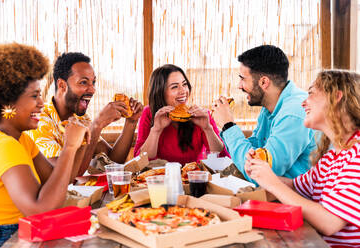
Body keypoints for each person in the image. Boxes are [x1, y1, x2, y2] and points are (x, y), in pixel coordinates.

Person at [0, 43, 89, 247]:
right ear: (6, 103)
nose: (42, 103)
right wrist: (69, 147)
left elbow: (59, 181)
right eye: (34, 96)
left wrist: (80, 145)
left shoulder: (21, 139)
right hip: (4, 238)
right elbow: (40, 209)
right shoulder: (3, 145)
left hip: (22, 229)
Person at [246, 70, 360, 247]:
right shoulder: (333, 157)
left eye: (312, 93)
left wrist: (272, 182)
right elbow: (294, 186)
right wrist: (259, 171)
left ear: (336, 97)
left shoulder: (356, 155)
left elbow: (330, 222)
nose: (303, 102)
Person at [28, 52, 143, 180]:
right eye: (83, 82)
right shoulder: (39, 122)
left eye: (93, 82)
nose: (92, 89)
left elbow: (114, 162)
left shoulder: (81, 119)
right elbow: (65, 178)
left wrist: (131, 123)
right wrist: (97, 125)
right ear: (62, 85)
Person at [213, 45, 316, 182]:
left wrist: (228, 126)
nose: (239, 85)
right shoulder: (269, 107)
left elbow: (263, 174)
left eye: (243, 79)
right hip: (272, 195)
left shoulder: (294, 112)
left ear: (264, 82)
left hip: (297, 198)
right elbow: (254, 151)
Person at [134, 64, 228, 165]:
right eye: (174, 87)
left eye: (184, 84)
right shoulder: (149, 113)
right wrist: (156, 130)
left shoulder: (201, 115)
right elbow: (139, 162)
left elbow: (223, 160)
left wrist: (207, 128)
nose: (183, 91)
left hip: (193, 178)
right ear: (160, 92)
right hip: (160, 178)